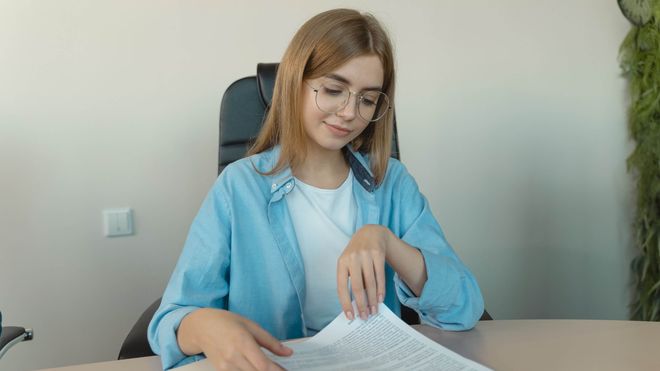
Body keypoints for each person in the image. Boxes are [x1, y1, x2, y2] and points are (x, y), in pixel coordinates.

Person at [148, 8, 484, 371]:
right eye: (334, 90)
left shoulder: (393, 183)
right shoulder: (239, 187)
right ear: (295, 82)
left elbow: (463, 307)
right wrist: (205, 326)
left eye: (367, 99)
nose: (349, 112)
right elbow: (172, 319)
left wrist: (386, 241)